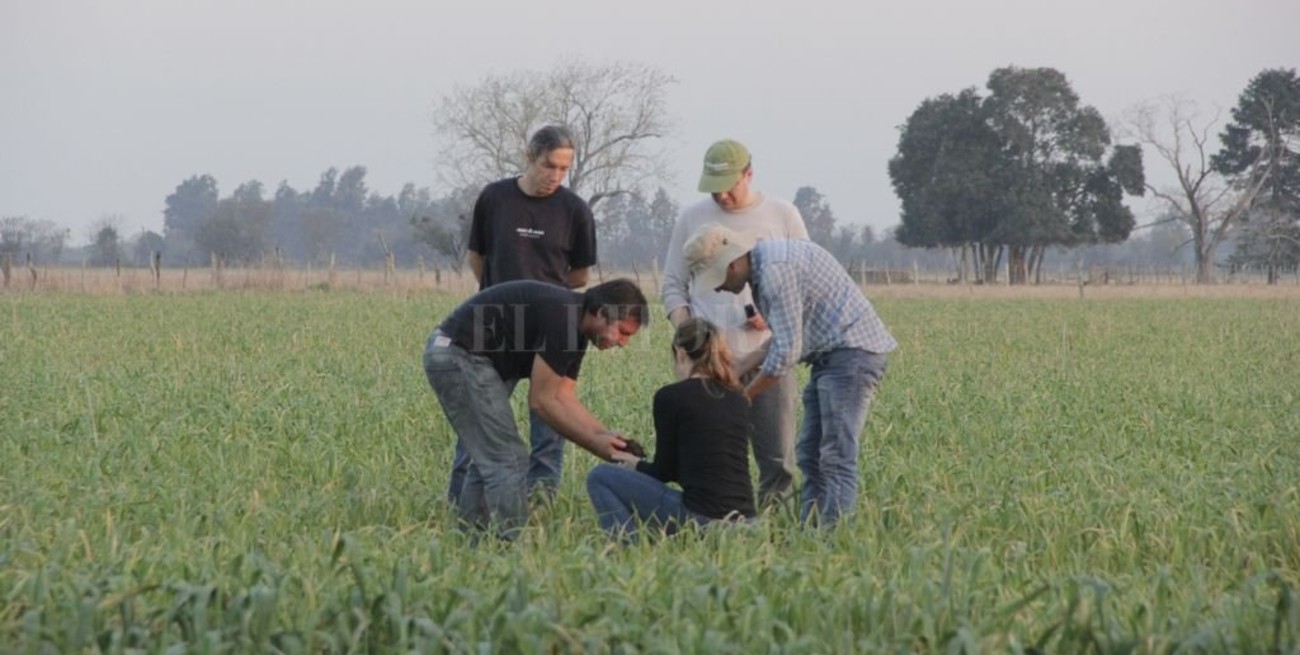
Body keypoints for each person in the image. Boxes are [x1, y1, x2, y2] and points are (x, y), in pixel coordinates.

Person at [681, 224, 896, 527]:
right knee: (809, 453)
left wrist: (742, 400)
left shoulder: (774, 273)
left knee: (836, 454)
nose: (717, 288)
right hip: (829, 359)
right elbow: (783, 336)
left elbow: (786, 355)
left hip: (852, 357)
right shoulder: (761, 270)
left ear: (731, 264)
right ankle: (809, 530)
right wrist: (740, 366)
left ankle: (832, 538)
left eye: (716, 280)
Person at [424, 278, 648, 539]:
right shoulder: (563, 320)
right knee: (508, 458)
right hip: (457, 354)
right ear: (601, 313)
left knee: (490, 457)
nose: (623, 343)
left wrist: (607, 438)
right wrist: (595, 445)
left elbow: (563, 396)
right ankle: (509, 545)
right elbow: (542, 402)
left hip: (469, 357)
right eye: (623, 332)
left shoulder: (575, 326)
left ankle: (471, 539)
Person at [450, 125, 598, 504]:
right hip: (494, 335)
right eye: (549, 165)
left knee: (549, 428)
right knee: (477, 429)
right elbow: (477, 256)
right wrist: (501, 297)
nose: (555, 176)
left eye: (564, 169)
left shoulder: (575, 210)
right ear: (530, 157)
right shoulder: (495, 198)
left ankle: (540, 505)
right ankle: (463, 506)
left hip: (549, 335)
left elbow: (580, 274)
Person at [660, 139, 809, 509]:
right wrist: (691, 333)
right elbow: (673, 287)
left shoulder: (783, 215)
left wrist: (773, 317)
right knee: (707, 454)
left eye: (729, 185)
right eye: (714, 188)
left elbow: (803, 282)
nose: (722, 196)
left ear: (749, 174)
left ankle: (777, 529)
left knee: (776, 456)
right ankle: (714, 523)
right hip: (709, 363)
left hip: (768, 357)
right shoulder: (691, 218)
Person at [586, 318, 757, 541]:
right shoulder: (738, 397)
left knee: (600, 477)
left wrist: (634, 464)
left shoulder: (671, 396)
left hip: (703, 520)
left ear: (680, 352)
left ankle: (626, 549)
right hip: (749, 523)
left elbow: (663, 472)